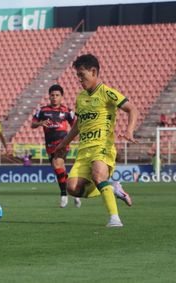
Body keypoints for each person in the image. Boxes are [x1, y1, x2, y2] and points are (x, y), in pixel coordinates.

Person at [55, 54, 138, 227]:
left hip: (103, 145)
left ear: (94, 72)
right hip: (84, 149)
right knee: (72, 189)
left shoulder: (107, 92)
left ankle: (115, 219)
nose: (79, 79)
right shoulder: (80, 97)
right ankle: (113, 188)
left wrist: (129, 130)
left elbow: (132, 109)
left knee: (98, 175)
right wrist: (63, 144)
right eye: (77, 76)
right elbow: (78, 124)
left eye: (82, 75)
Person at [31, 84, 81, 208]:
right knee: (60, 170)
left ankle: (64, 195)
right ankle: (74, 192)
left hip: (63, 143)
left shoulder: (67, 111)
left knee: (57, 164)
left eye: (57, 95)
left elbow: (76, 125)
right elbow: (32, 124)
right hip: (49, 145)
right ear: (49, 96)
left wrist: (74, 137)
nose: (54, 98)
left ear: (62, 97)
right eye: (52, 95)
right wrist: (41, 123)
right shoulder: (42, 111)